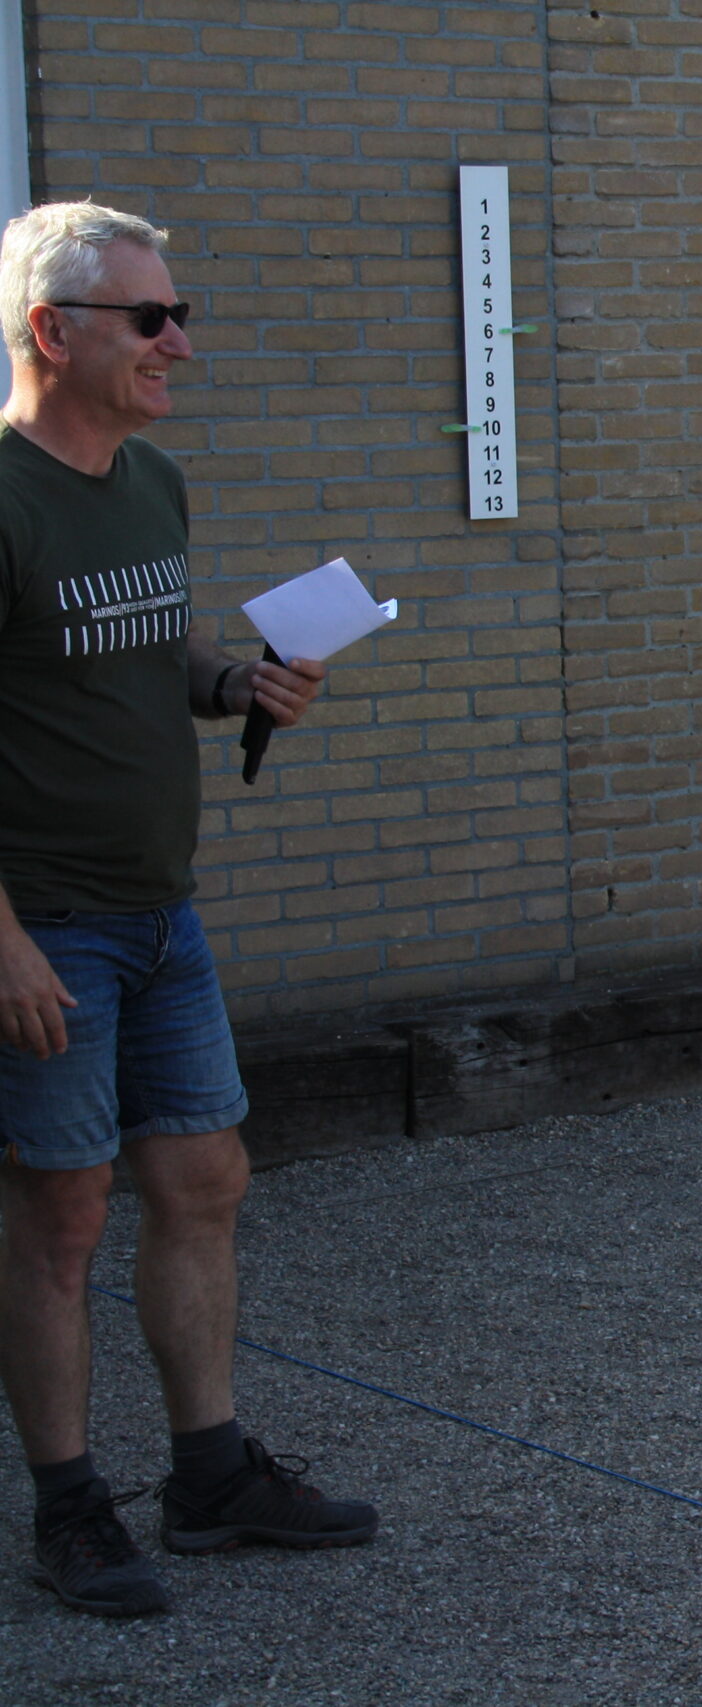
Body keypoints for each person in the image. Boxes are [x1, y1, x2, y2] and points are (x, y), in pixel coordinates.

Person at [0, 201, 377, 1619]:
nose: (181, 344)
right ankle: (68, 1506)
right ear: (54, 332)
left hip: (166, 915)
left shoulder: (149, 478)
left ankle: (210, 1476)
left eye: (182, 314)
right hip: (47, 931)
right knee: (60, 1218)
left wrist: (236, 682)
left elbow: (155, 637)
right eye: (151, 319)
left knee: (205, 1180)